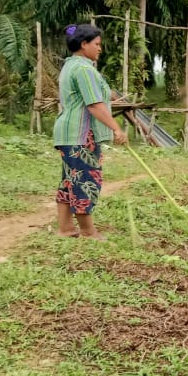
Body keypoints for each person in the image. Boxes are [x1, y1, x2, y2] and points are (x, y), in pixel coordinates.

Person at [52, 24, 127, 239]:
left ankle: (66, 229)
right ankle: (88, 232)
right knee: (85, 180)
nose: (100, 48)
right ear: (84, 44)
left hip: (68, 133)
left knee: (70, 180)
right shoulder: (84, 70)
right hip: (81, 134)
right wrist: (116, 128)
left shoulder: (71, 66)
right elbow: (94, 105)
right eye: (97, 44)